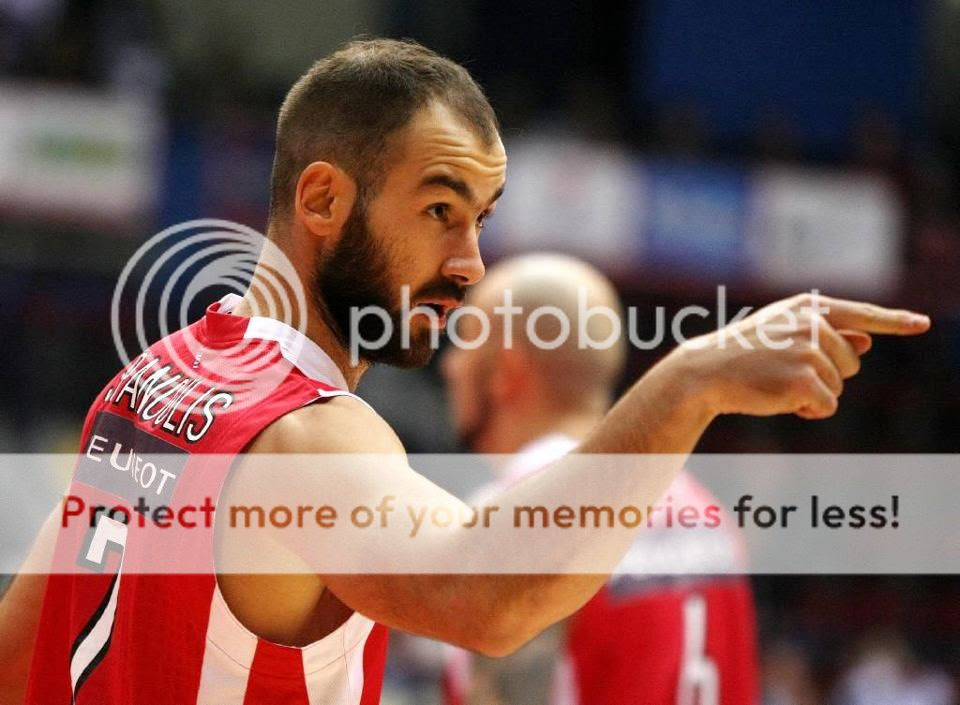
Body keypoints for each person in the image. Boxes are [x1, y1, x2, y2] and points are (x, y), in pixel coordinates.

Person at [0, 38, 930, 704]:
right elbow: (489, 597)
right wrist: (692, 380)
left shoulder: (143, 383)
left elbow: (17, 657)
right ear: (322, 198)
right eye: (440, 210)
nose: (470, 262)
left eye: (482, 218)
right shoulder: (311, 434)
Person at [439, 253, 758, 705]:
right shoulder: (706, 513)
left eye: (464, 342)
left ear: (507, 373)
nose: (450, 366)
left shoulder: (517, 516)